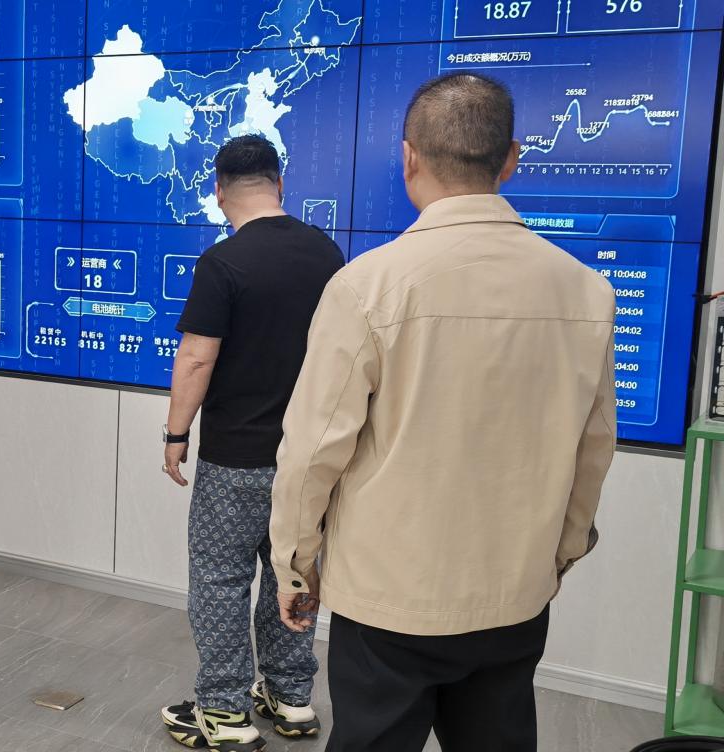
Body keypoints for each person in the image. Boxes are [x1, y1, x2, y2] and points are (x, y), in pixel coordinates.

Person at [269, 72, 617, 751]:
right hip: (515, 593)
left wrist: (295, 563)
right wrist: (559, 555)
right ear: (511, 159)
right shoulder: (587, 291)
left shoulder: (366, 286)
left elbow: (313, 450)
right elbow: (593, 450)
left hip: (389, 597)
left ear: (409, 159)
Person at [158, 134, 344, 751]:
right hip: (309, 461)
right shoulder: (327, 253)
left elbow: (196, 358)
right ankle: (291, 698)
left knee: (220, 581)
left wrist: (176, 433)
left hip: (236, 459)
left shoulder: (223, 262)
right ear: (279, 183)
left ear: (219, 192)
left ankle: (224, 712)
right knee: (294, 572)